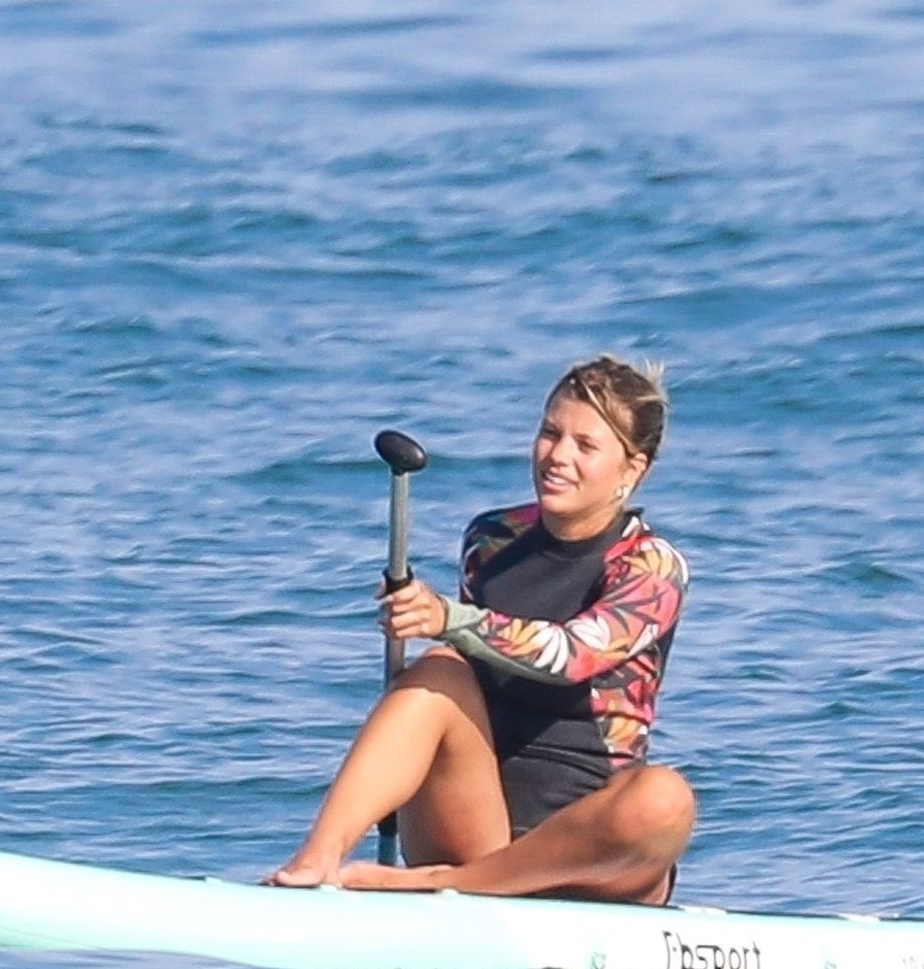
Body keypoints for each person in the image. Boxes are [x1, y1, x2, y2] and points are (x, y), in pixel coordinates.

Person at [269, 356, 694, 904]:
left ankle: (432, 884)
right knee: (441, 670)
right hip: (477, 832)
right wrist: (423, 620)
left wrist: (449, 619)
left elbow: (573, 656)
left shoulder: (652, 566)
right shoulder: (491, 539)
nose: (557, 456)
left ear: (632, 470)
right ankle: (318, 859)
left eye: (585, 446)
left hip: (594, 859)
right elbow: (470, 670)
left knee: (665, 799)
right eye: (550, 433)